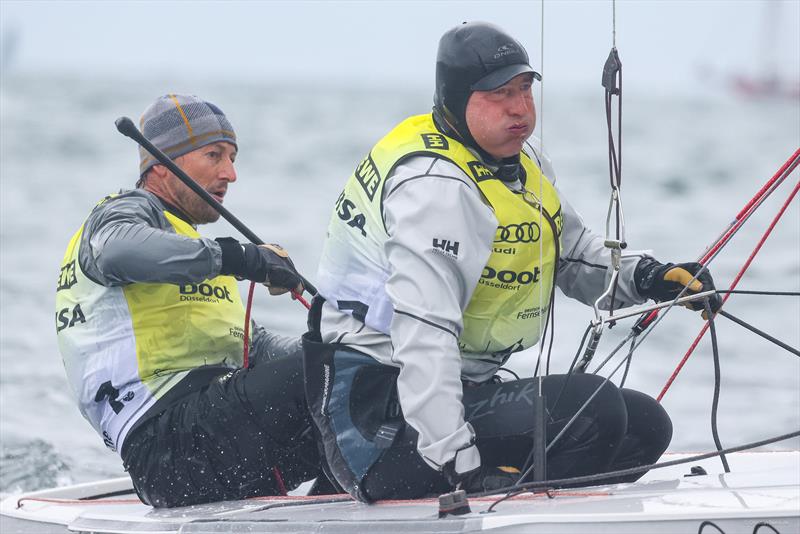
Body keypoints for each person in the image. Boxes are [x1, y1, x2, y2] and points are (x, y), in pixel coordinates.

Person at [302, 22, 722, 502]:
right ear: (459, 99)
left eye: (525, 89)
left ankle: (528, 504)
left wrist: (650, 277)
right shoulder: (435, 190)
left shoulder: (518, 163)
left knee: (645, 426)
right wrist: (456, 462)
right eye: (500, 94)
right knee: (595, 408)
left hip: (453, 392)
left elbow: (572, 256)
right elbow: (424, 334)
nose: (520, 108)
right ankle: (491, 505)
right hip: (379, 420)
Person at [56, 94, 322, 508]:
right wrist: (242, 257)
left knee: (356, 371)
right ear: (163, 164)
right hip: (168, 443)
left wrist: (335, 340)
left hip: (216, 434)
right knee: (333, 377)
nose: (230, 173)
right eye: (214, 155)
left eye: (232, 157)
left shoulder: (188, 244)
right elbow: (117, 252)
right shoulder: (122, 214)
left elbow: (251, 345)